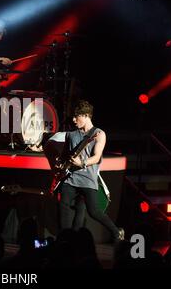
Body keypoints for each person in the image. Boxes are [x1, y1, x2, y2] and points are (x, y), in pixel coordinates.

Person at [46, 100, 124, 242]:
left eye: (77, 116)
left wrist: (82, 163)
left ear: (86, 115)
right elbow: (64, 155)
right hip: (71, 178)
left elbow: (96, 157)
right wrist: (59, 163)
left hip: (88, 179)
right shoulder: (71, 135)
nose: (74, 120)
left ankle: (116, 231)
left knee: (93, 211)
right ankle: (64, 240)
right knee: (63, 206)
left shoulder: (99, 134)